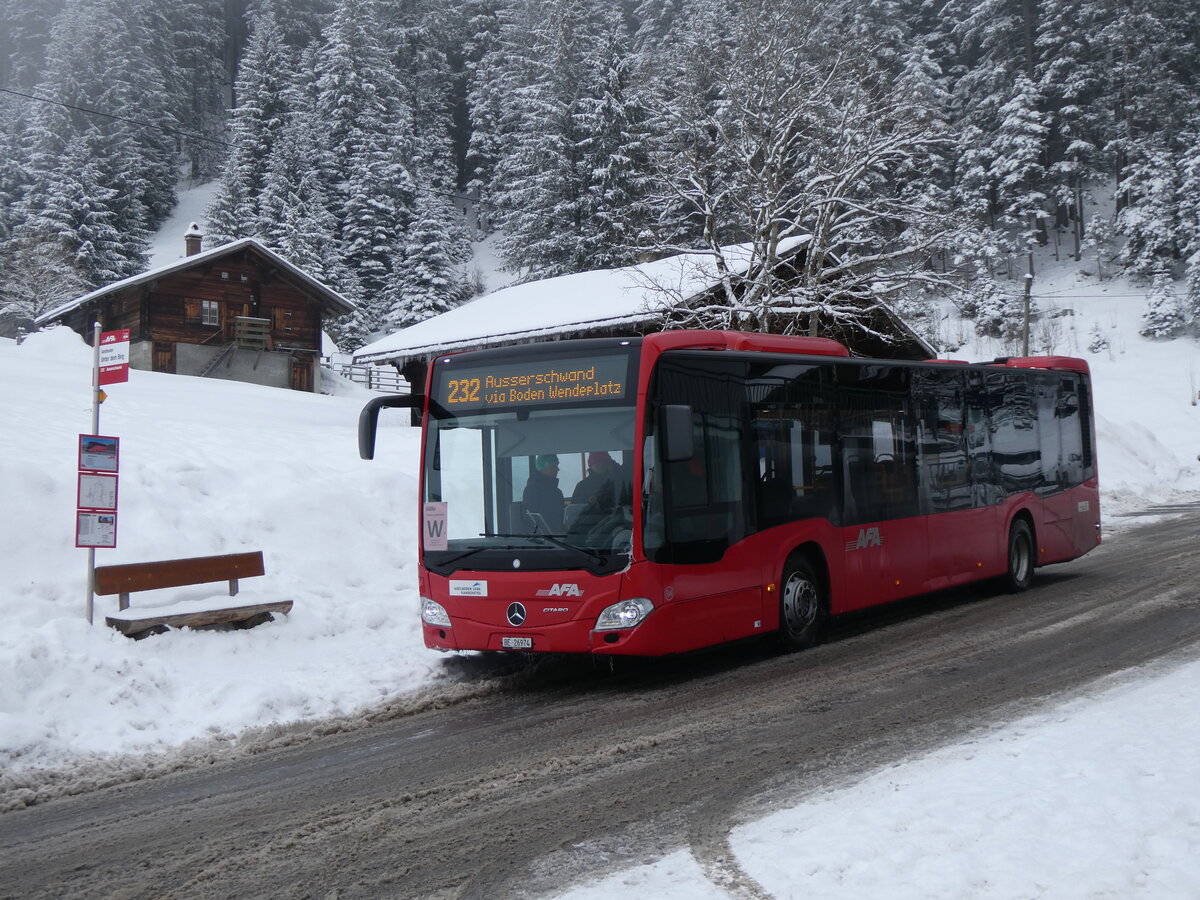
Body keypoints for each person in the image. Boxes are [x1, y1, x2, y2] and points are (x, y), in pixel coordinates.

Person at [522, 454, 565, 533]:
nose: (558, 469)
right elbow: (534, 523)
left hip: (558, 541)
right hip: (544, 542)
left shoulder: (557, 492)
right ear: (543, 468)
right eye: (553, 466)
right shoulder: (532, 492)